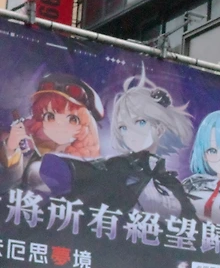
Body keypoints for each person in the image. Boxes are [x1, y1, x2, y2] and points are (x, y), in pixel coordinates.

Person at [40, 64, 196, 219]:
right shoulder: (119, 167)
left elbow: (194, 226)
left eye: (140, 122)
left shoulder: (171, 183)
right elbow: (67, 171)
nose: (131, 133)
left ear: (159, 129)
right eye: (123, 127)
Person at [1, 74, 103, 193]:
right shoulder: (32, 153)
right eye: (50, 117)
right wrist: (11, 149)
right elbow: (7, 187)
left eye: (72, 119)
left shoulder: (91, 168)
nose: (59, 125)